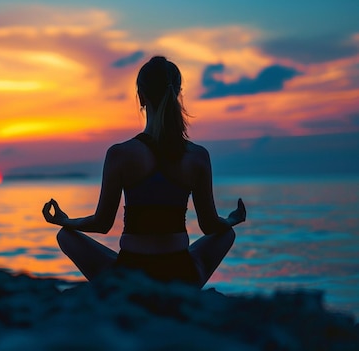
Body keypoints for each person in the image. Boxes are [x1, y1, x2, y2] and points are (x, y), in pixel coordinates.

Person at [42, 56, 246, 288]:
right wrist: (232, 219)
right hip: (182, 274)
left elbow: (102, 223)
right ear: (177, 94)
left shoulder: (120, 154)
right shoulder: (197, 156)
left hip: (130, 274)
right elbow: (210, 226)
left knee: (65, 236)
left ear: (141, 96)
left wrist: (65, 221)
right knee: (227, 233)